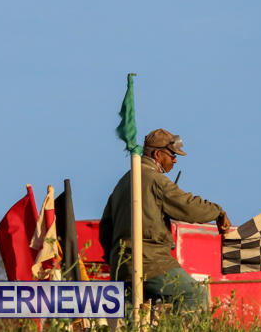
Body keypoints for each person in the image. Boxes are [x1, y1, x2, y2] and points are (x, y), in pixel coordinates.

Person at [99, 128, 231, 311]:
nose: (175, 160)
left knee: (135, 320)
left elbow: (105, 228)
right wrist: (218, 212)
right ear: (157, 154)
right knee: (195, 294)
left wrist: (117, 260)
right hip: (150, 262)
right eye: (173, 155)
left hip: (121, 267)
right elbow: (188, 206)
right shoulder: (155, 179)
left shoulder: (123, 182)